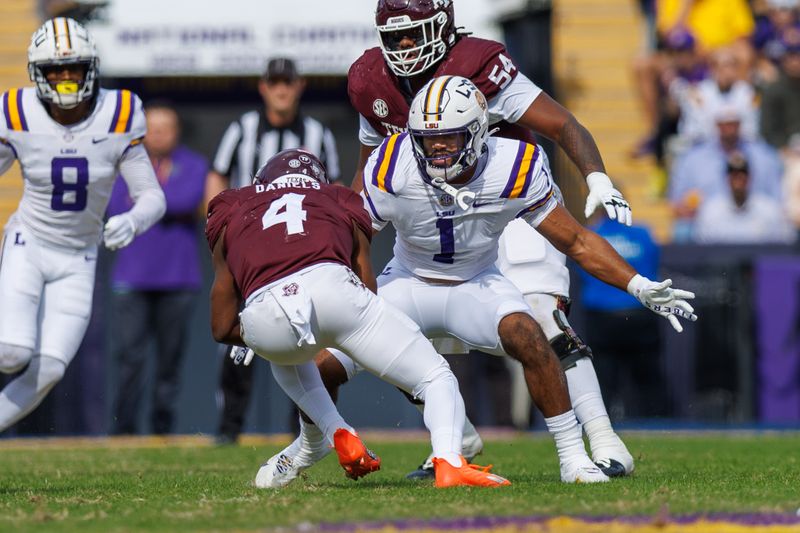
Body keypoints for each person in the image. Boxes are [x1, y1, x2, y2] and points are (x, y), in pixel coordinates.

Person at [267, 77, 697, 487]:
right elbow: (346, 235)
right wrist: (316, 294)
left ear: (476, 132)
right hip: (408, 281)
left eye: (447, 138)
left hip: (477, 283)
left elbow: (578, 241)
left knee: (532, 335)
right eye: (426, 139)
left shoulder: (515, 165)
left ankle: (573, 456)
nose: (435, 149)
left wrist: (638, 284)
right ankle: (311, 443)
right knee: (322, 366)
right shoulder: (393, 162)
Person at [345, 0, 636, 480]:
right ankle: (454, 435)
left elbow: (562, 123)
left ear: (441, 25)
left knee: (543, 316)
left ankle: (604, 439)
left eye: (413, 33)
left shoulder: (479, 63)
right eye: (393, 36)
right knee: (386, 331)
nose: (402, 46)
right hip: (433, 206)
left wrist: (596, 177)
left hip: (506, 196)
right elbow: (367, 171)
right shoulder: (370, 81)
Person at [207, 148, 509, 489]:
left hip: (267, 311)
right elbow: (366, 287)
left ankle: (336, 430)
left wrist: (250, 335)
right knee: (436, 377)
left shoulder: (231, 204)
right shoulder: (339, 198)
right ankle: (449, 462)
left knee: (290, 352)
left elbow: (221, 326)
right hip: (334, 288)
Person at [0, 18, 165, 432]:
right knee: (12, 353)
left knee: (51, 368)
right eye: (57, 70)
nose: (67, 78)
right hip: (30, 242)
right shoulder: (17, 112)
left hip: (79, 257)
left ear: (91, 68)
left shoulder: (119, 113)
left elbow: (153, 197)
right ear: (39, 74)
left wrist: (133, 219)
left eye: (74, 68)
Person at [204, 57, 341, 444]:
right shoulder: (241, 130)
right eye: (275, 82)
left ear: (299, 86)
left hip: (303, 254)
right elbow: (217, 177)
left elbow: (336, 191)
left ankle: (301, 431)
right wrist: (220, 237)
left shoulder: (318, 133)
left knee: (307, 340)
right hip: (252, 253)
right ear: (263, 87)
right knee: (238, 337)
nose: (281, 89)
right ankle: (229, 430)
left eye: (288, 82)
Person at [107, 102, 207, 435]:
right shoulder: (124, 164)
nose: (158, 134)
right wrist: (159, 201)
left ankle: (162, 430)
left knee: (169, 362)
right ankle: (124, 431)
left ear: (176, 132)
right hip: (131, 279)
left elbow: (186, 199)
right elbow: (112, 204)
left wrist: (146, 202)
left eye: (165, 127)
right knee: (128, 360)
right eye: (152, 127)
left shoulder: (193, 164)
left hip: (177, 280)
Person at [693, 152, 795, 244]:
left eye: (743, 173)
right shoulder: (710, 212)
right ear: (727, 178)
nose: (739, 178)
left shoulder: (769, 210)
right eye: (733, 174)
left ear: (750, 177)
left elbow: (785, 245)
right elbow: (702, 251)